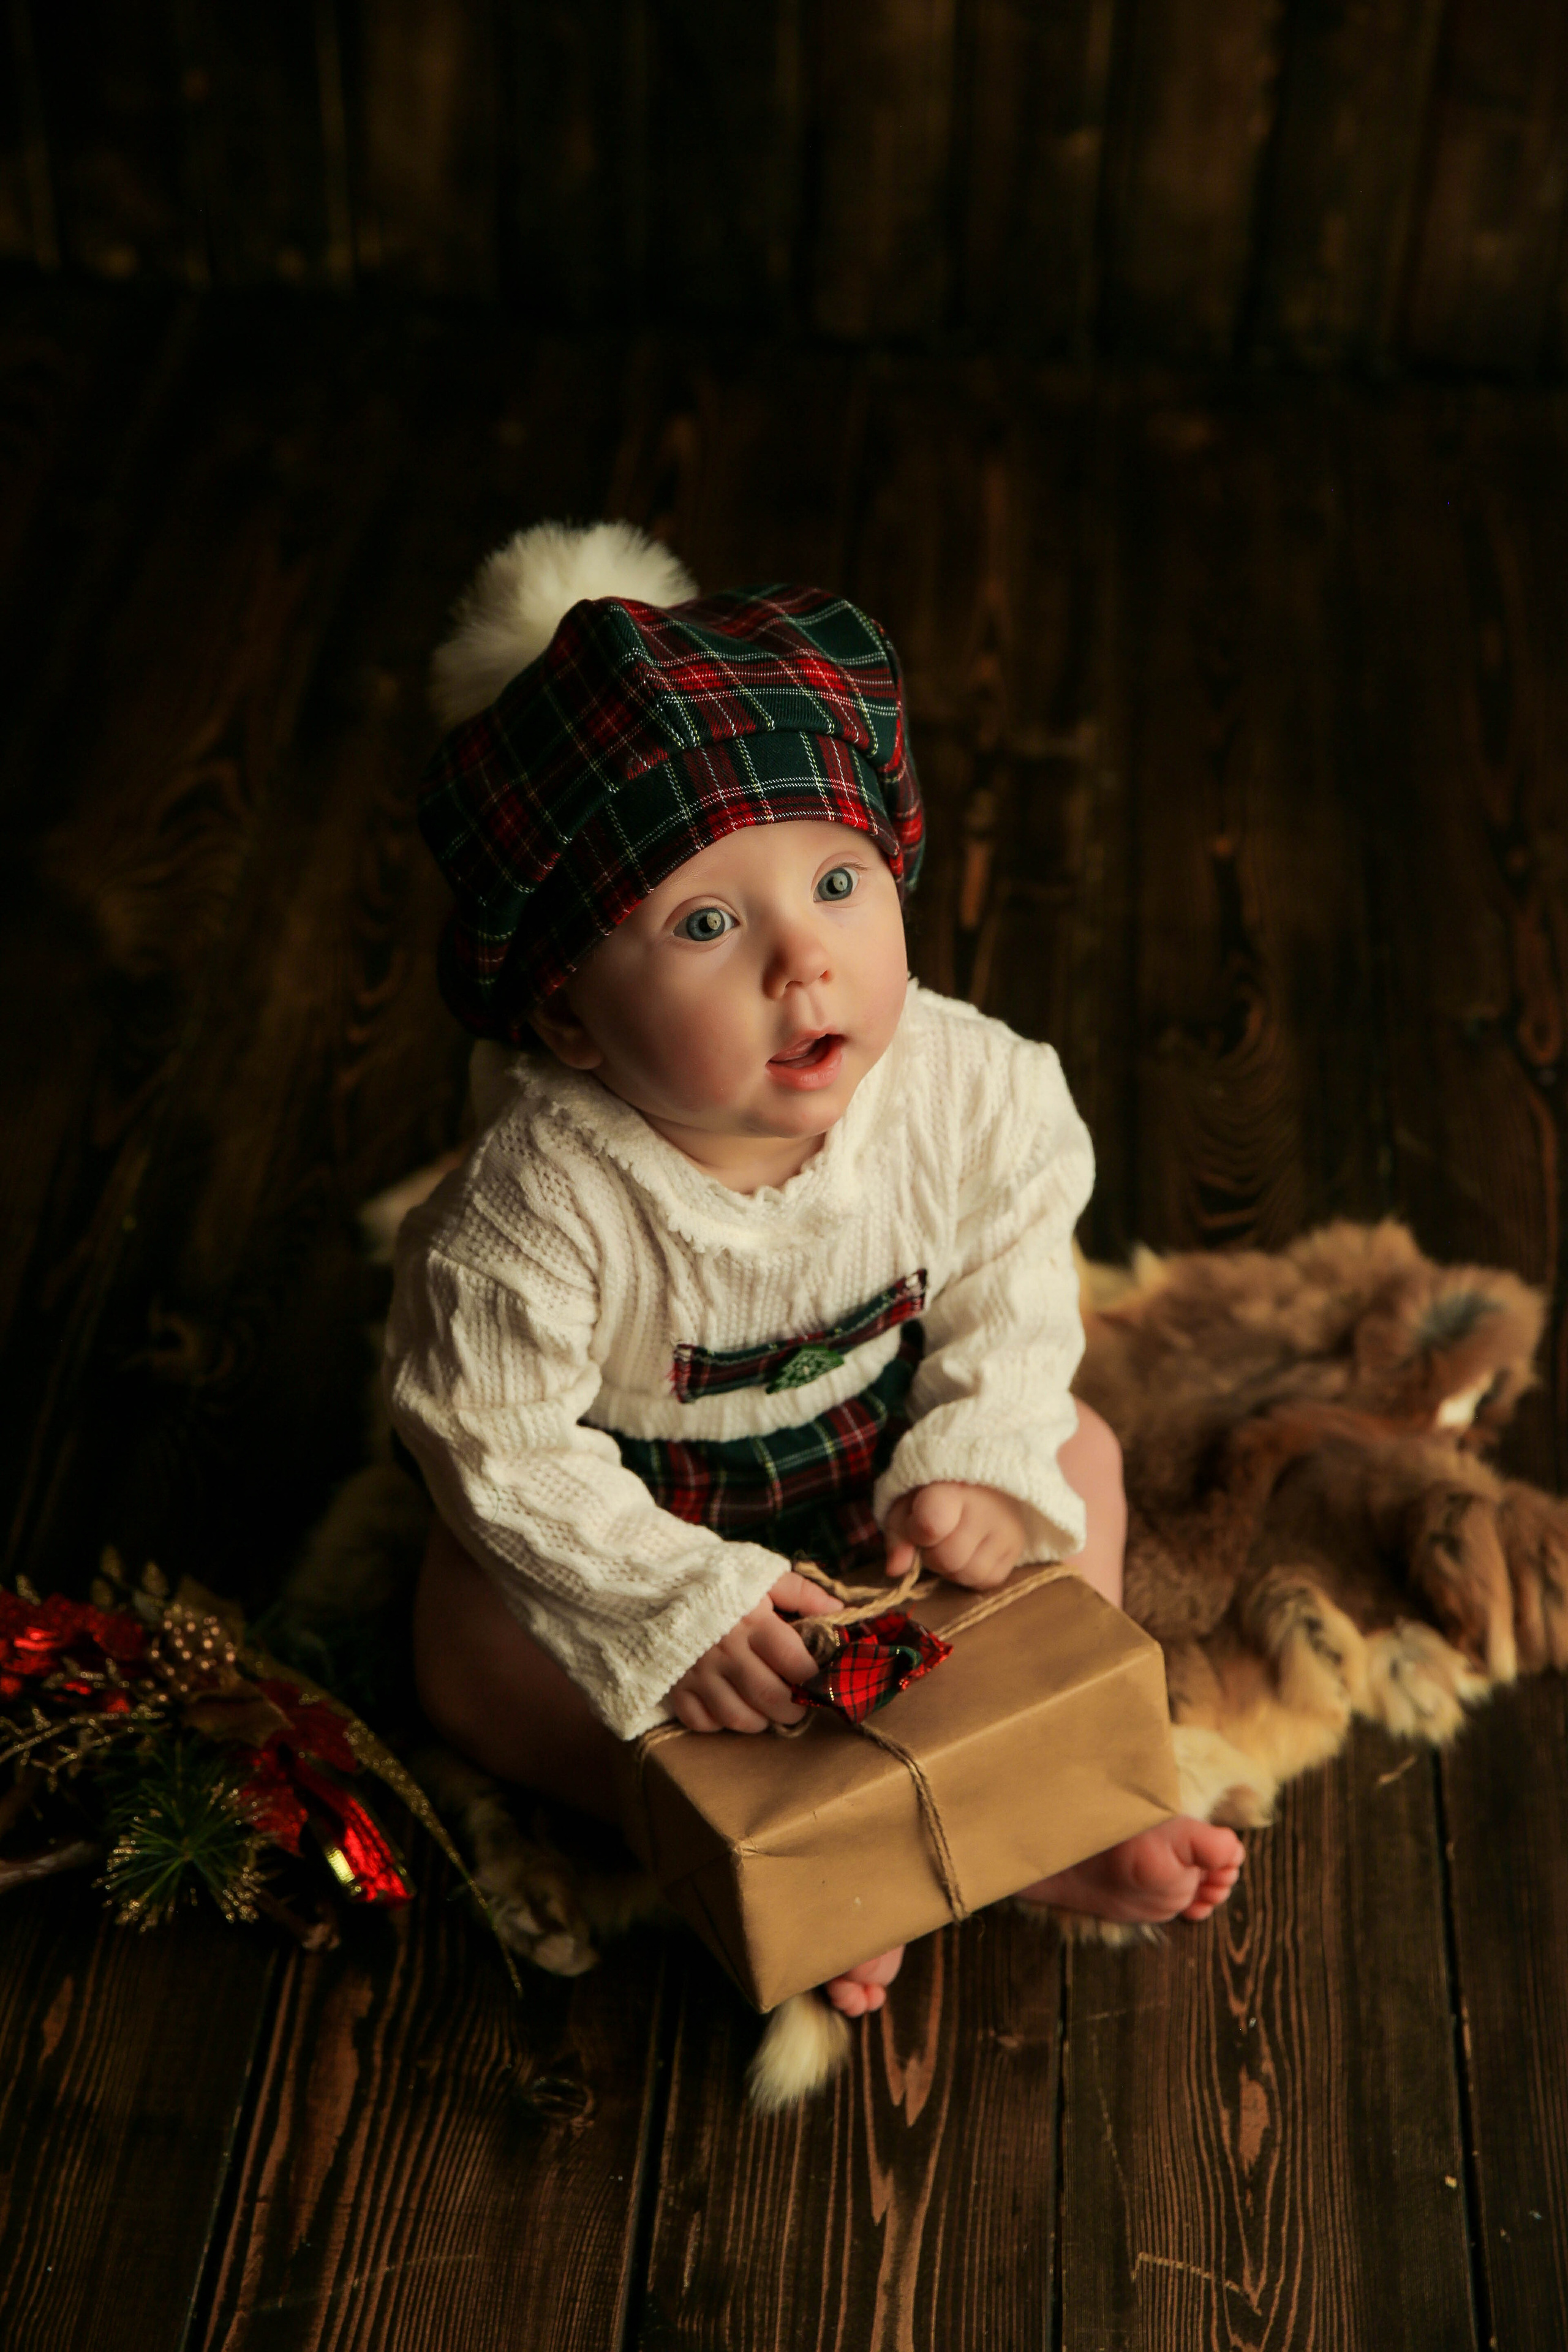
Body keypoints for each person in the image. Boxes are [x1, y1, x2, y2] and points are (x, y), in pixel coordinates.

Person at [388, 522, 1243, 2020]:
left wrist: (974, 1449)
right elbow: (490, 1441)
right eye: (706, 924)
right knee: (463, 1646)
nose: (805, 962)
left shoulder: (971, 1090)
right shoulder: (537, 1206)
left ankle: (1042, 1792)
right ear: (573, 1021)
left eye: (838, 883)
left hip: (885, 1485)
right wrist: (669, 1601)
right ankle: (769, 1848)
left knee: (1077, 1454)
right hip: (651, 1520)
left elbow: (1013, 1281)